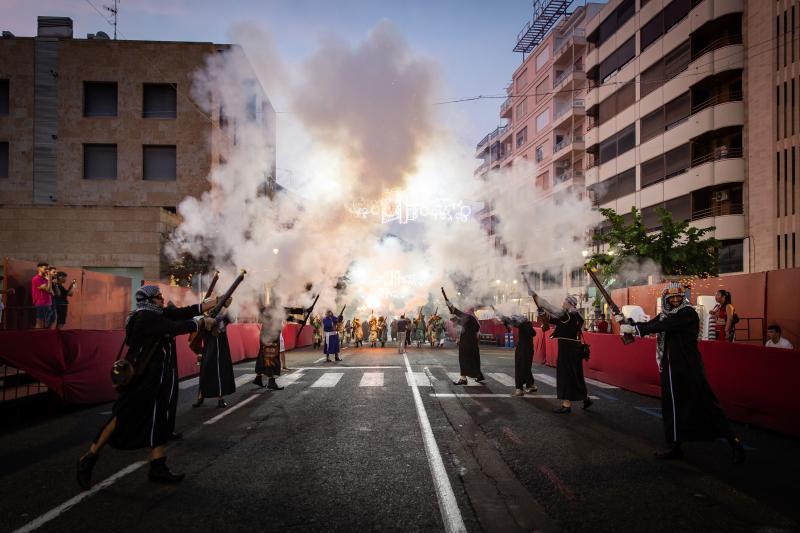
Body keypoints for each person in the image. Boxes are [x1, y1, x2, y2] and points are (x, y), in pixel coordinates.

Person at [76, 286, 221, 489]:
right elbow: (175, 327)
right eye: (159, 297)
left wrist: (215, 302)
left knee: (159, 418)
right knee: (121, 416)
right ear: (150, 300)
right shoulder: (145, 317)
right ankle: (89, 458)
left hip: (157, 378)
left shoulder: (155, 313)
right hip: (141, 378)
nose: (162, 299)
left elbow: (183, 312)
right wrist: (201, 322)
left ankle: (158, 467)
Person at [619, 283, 745, 464]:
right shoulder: (666, 314)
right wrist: (629, 323)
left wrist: (637, 329)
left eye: (679, 297)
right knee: (671, 408)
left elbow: (664, 325)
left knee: (708, 405)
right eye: (672, 298)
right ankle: (675, 447)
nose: (676, 300)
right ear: (666, 299)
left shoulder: (687, 313)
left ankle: (735, 444)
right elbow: (654, 323)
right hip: (670, 368)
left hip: (689, 367)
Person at [532, 290, 592, 413]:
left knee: (565, 375)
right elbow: (553, 319)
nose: (563, 303)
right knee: (576, 376)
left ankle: (566, 405)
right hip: (576, 348)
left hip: (567, 349)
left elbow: (551, 308)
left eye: (565, 301)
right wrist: (543, 314)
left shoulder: (567, 315)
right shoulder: (577, 316)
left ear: (570, 304)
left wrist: (536, 297)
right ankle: (585, 399)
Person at [193, 309, 236, 409]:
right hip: (209, 347)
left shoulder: (223, 316)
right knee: (205, 372)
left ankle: (220, 399)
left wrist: (225, 312)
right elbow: (200, 328)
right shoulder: (204, 317)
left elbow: (232, 319)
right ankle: (200, 396)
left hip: (221, 348)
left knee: (220, 372)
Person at [497, 311, 537, 397]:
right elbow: (534, 333)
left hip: (522, 349)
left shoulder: (522, 325)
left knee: (519, 367)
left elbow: (510, 321)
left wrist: (501, 316)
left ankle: (519, 389)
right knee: (526, 367)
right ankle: (531, 385)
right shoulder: (527, 325)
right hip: (529, 349)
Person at [447, 303, 484, 385]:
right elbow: (461, 321)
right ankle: (478, 374)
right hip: (471, 342)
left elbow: (459, 314)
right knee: (473, 359)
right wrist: (455, 319)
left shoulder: (470, 317)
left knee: (463, 359)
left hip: (467, 342)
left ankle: (463, 378)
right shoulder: (471, 318)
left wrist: (451, 306)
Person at [254, 307, 285, 390]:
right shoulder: (271, 309)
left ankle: (258, 378)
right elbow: (287, 313)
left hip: (267, 336)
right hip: (270, 336)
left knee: (263, 357)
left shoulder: (268, 309)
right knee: (271, 358)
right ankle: (271, 382)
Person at [31, 262, 53, 329]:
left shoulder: (45, 279)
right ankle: (37, 337)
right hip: (41, 303)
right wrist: (49, 278)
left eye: (47, 269)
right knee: (40, 322)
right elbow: (48, 289)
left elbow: (51, 291)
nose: (47, 270)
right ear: (39, 268)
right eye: (45, 268)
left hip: (48, 303)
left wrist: (48, 279)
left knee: (46, 324)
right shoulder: (36, 278)